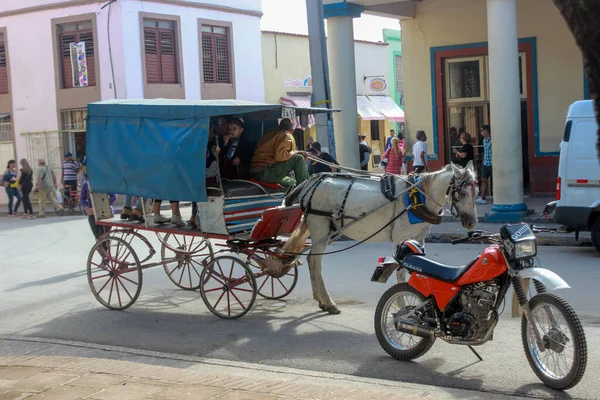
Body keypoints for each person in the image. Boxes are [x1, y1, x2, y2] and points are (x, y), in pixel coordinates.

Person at [250, 118, 309, 188]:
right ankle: (305, 188)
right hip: (265, 172)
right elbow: (279, 156)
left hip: (256, 172)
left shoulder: (268, 133)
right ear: (292, 131)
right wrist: (296, 152)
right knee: (299, 158)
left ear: (278, 126)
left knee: (293, 183)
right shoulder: (286, 135)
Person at [80, 164, 117, 240]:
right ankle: (102, 250)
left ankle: (105, 250)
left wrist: (102, 206)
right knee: (98, 238)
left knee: (106, 238)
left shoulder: (106, 183)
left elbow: (113, 197)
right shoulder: (86, 184)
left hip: (107, 213)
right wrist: (87, 209)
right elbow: (82, 199)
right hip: (92, 214)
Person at [476, 125, 492, 204]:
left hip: (492, 163)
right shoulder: (483, 140)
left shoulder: (492, 139)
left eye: (482, 130)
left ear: (487, 131)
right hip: (485, 162)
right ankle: (482, 198)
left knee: (495, 181)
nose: (481, 132)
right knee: (483, 180)